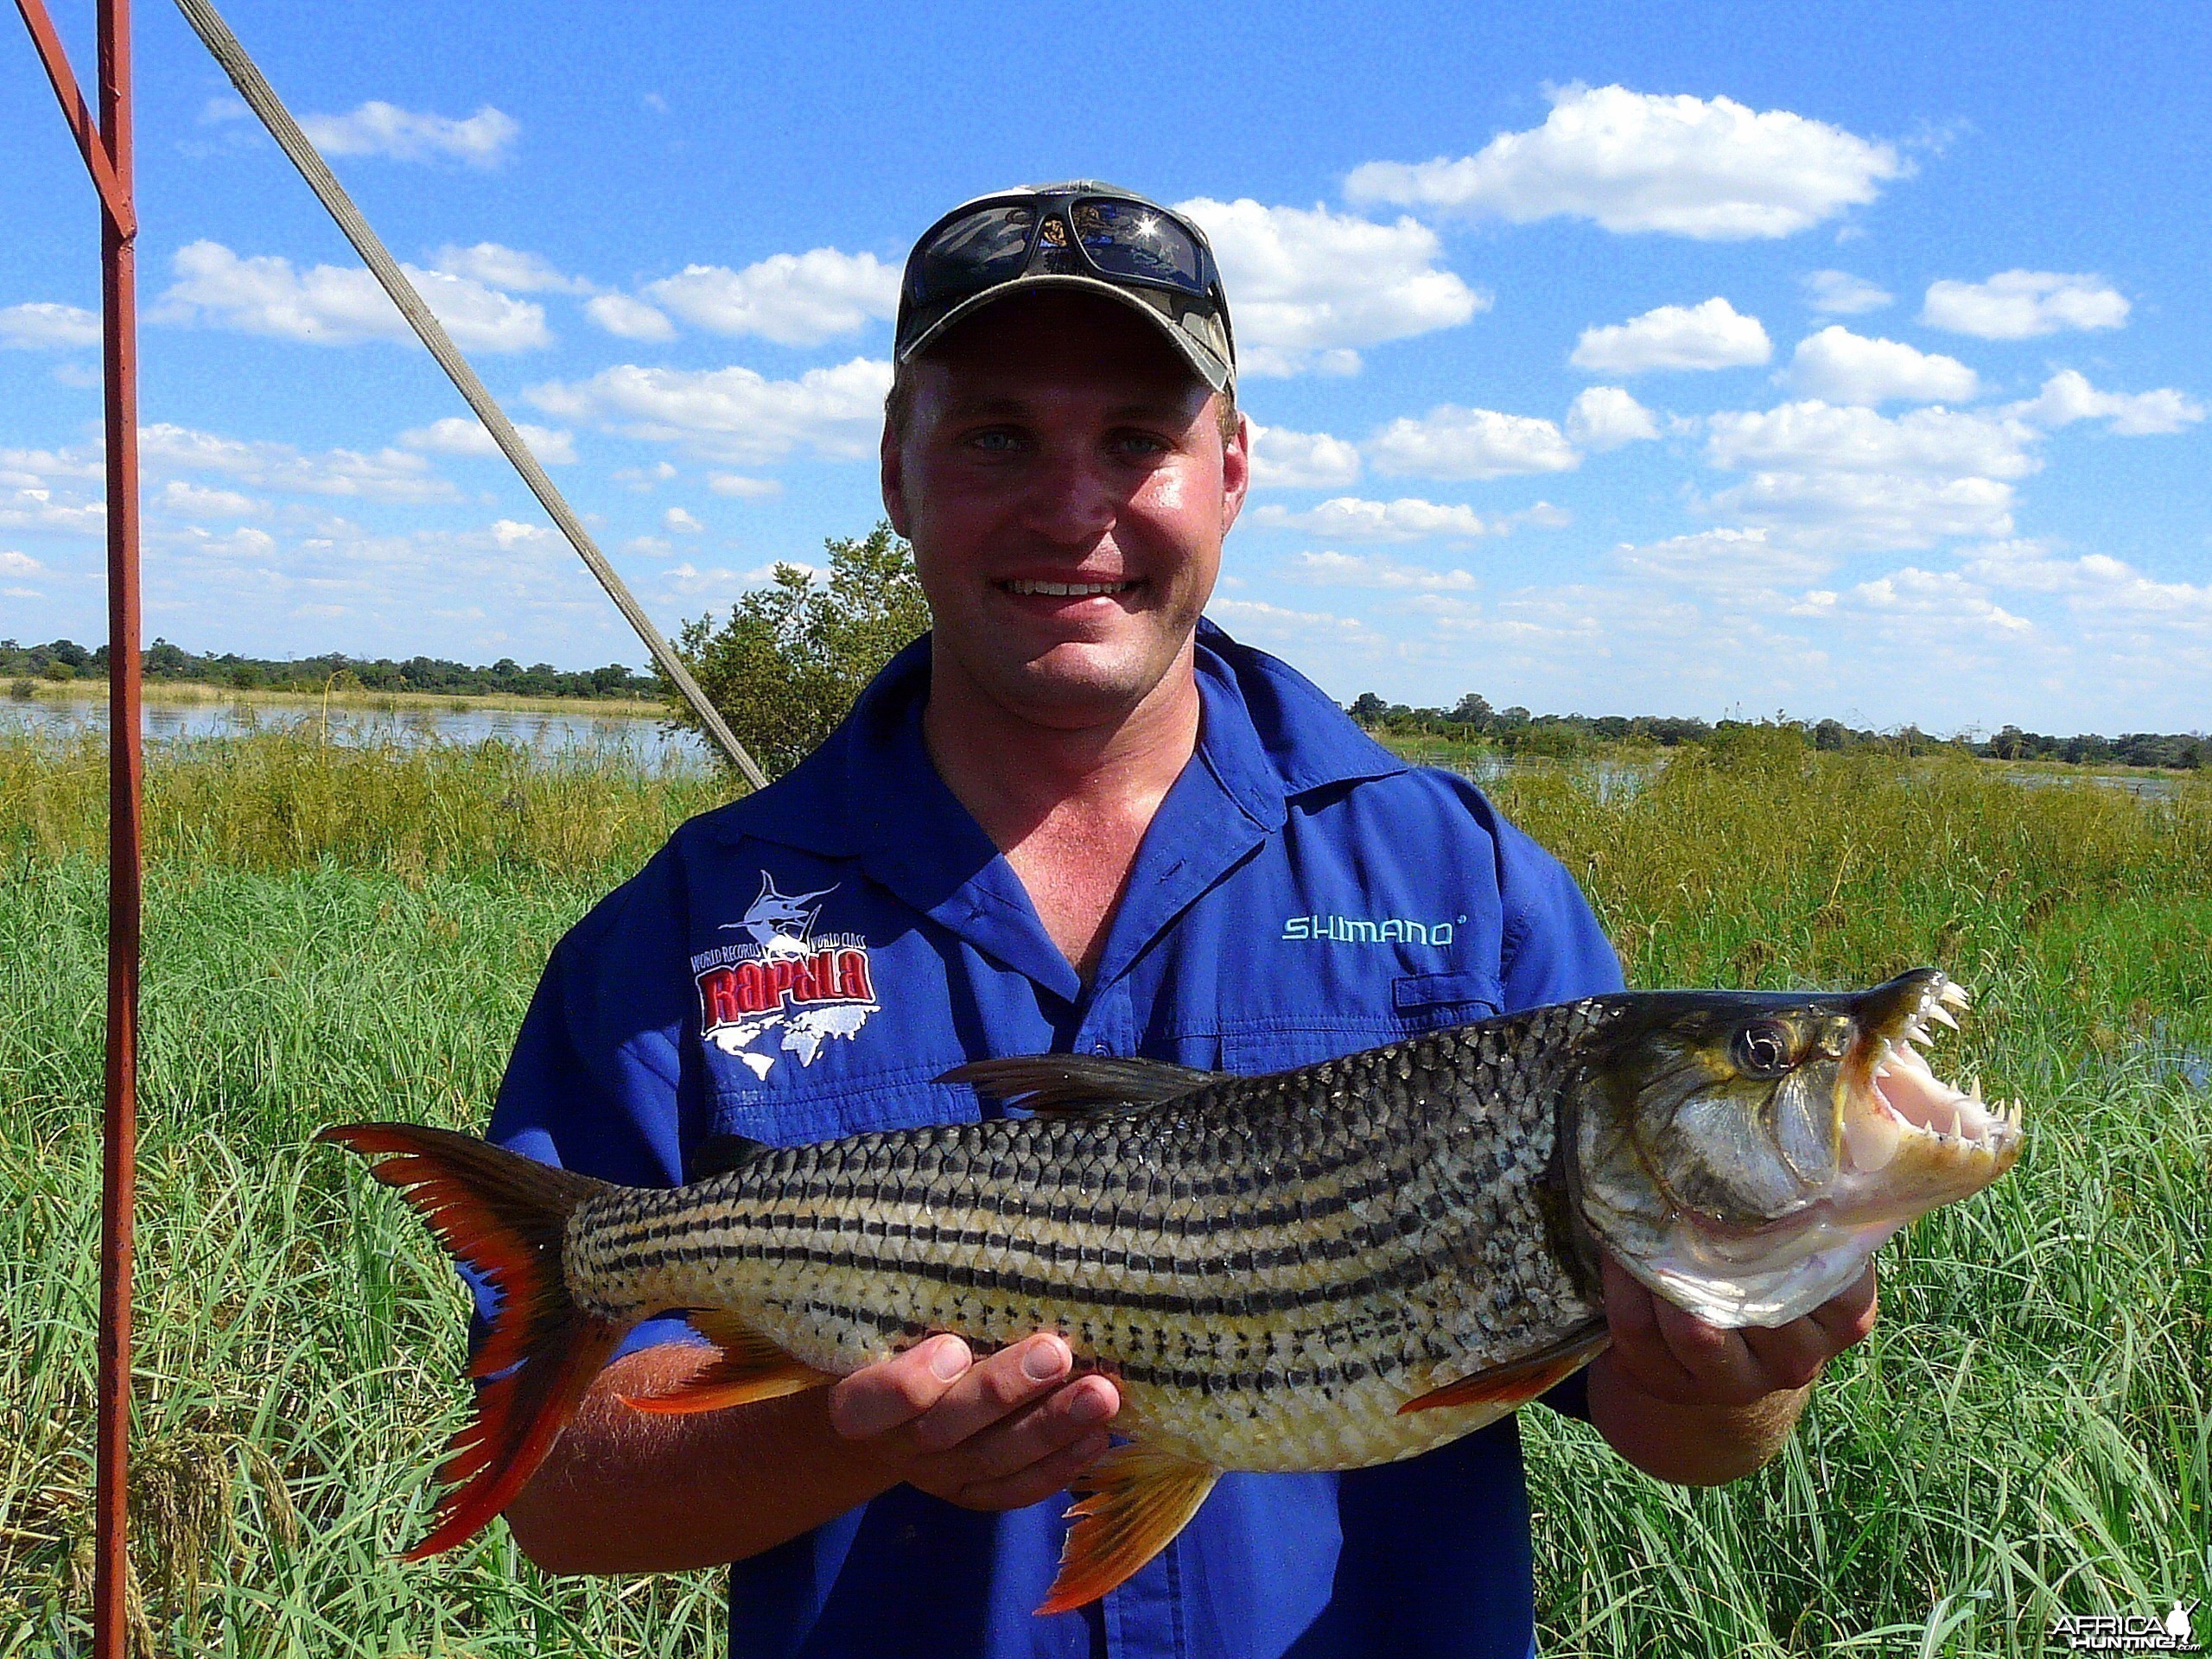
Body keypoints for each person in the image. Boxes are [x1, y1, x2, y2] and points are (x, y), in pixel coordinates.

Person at [483, 182, 1878, 1659]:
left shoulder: (1460, 881)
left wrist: (1743, 1377)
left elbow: (1684, 1437)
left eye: (1138, 440)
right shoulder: (687, 932)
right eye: (997, 435)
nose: (1072, 507)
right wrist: (854, 1430)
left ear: (1230, 468)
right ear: (899, 469)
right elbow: (570, 1507)